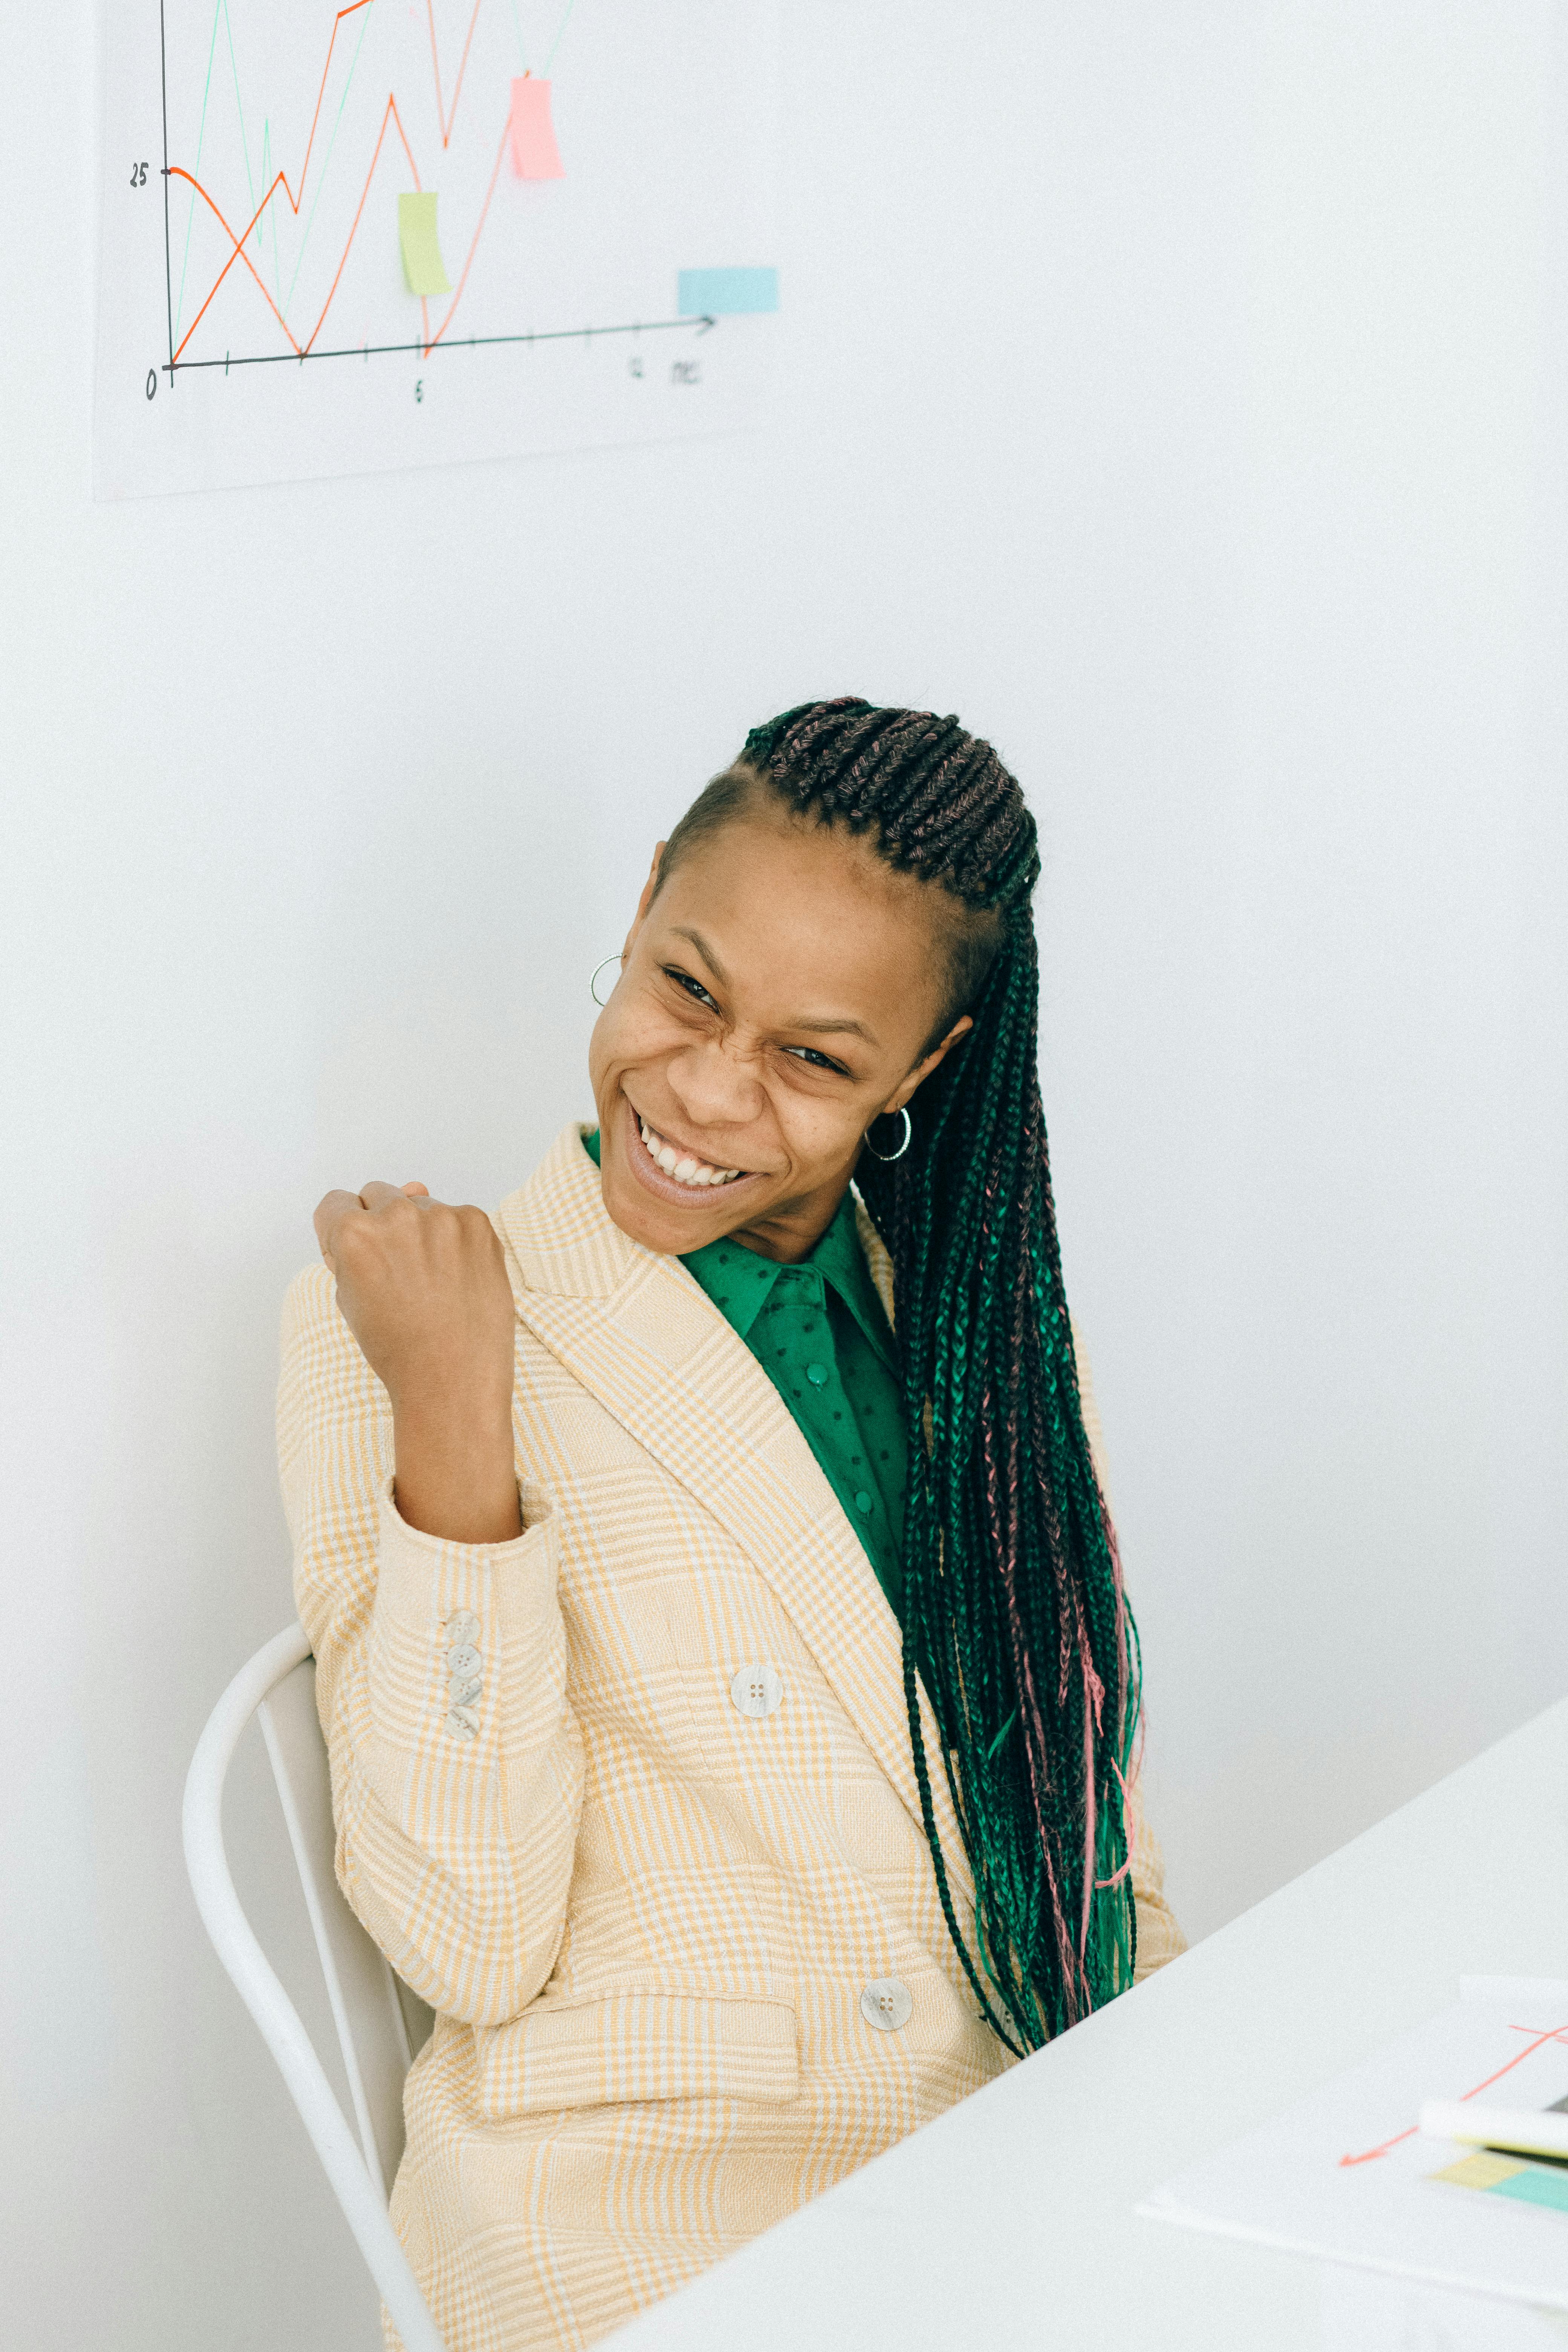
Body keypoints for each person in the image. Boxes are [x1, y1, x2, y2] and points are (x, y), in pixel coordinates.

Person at [281, 699, 1185, 2352]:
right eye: (687, 987)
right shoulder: (406, 1327)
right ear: (637, 906)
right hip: (648, 2214)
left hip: (1002, 2154)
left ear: (924, 1069)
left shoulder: (977, 1334)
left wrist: (1177, 2093)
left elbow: (1080, 1826)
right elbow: (466, 1942)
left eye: (813, 1057)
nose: (702, 1091)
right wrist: (456, 1432)